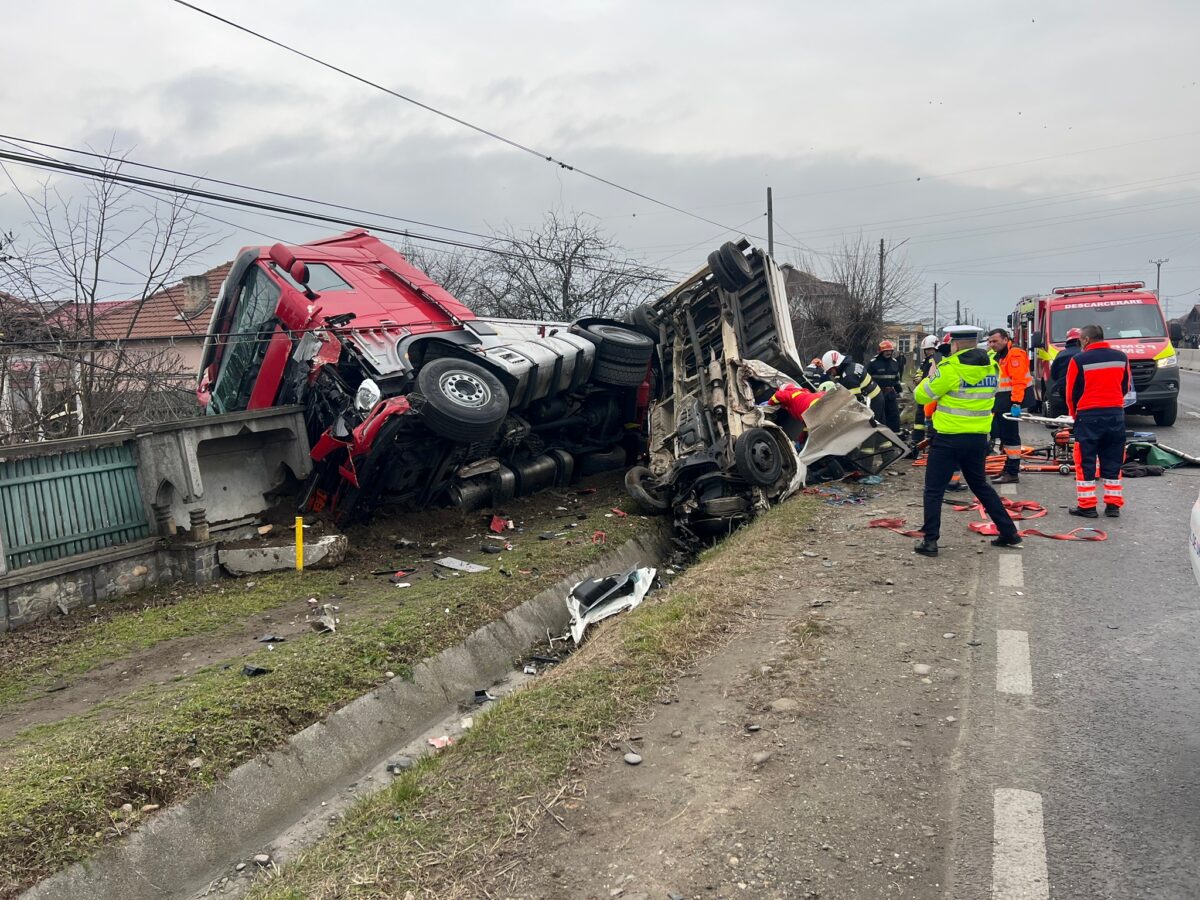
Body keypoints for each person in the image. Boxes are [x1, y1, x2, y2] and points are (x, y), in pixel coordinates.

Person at [912, 336, 1022, 557]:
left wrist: (931, 376)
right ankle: (1009, 532)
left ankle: (930, 541)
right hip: (978, 438)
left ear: (955, 345)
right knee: (980, 485)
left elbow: (922, 395)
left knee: (933, 490)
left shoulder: (950, 368)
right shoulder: (992, 367)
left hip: (948, 438)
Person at [1065, 324, 1131, 519]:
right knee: (1113, 460)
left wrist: (1074, 414)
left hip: (1088, 416)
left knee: (1085, 462)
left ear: (1085, 340)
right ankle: (1113, 506)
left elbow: (1071, 393)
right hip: (1115, 415)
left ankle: (1087, 506)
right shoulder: (1121, 357)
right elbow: (1125, 386)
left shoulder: (1078, 360)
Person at [986, 328, 1031, 485]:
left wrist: (1016, 403)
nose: (992, 344)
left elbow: (1018, 381)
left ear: (1005, 339)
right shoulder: (1002, 355)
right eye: (990, 341)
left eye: (995, 341)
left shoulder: (1015, 354)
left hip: (1010, 401)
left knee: (1011, 437)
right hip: (1003, 400)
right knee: (1005, 437)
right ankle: (1008, 468)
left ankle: (1012, 472)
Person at [820, 350, 884, 422]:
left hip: (873, 401)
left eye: (830, 371)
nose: (831, 374)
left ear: (836, 365)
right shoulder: (850, 366)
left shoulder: (848, 376)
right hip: (876, 396)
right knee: (880, 425)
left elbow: (855, 401)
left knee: (873, 427)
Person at [867, 340, 903, 432]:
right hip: (877, 393)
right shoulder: (873, 363)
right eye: (886, 350)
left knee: (894, 415)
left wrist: (899, 390)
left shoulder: (895, 362)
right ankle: (880, 435)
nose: (888, 352)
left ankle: (895, 435)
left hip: (890, 393)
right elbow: (867, 378)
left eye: (890, 350)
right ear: (881, 351)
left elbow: (896, 378)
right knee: (879, 415)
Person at [1047, 327, 1083, 416]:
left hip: (1063, 390)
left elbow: (1054, 375)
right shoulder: (1086, 353)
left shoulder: (1060, 354)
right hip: (1083, 391)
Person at [911, 335, 940, 443]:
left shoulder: (937, 359)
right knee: (919, 419)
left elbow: (932, 376)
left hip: (931, 395)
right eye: (925, 350)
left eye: (929, 349)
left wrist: (921, 379)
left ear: (935, 348)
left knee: (930, 419)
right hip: (924, 393)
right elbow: (921, 371)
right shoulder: (926, 360)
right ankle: (917, 440)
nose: (927, 352)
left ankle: (931, 441)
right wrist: (917, 377)